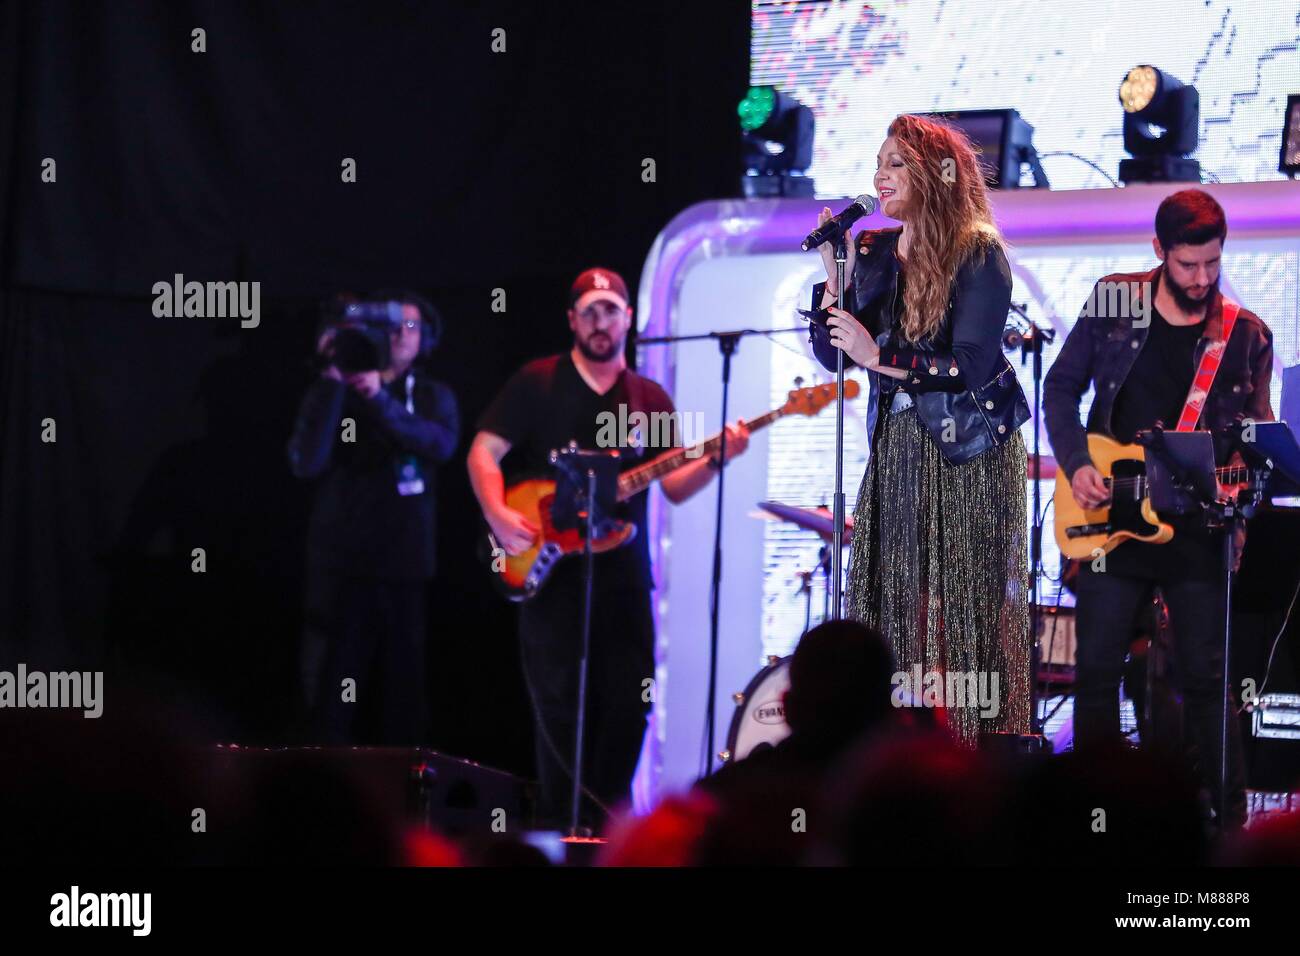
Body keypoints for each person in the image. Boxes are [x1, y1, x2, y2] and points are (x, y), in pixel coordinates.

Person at [467, 267, 749, 831]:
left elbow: (672, 485)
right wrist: (498, 515)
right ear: (573, 319)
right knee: (558, 704)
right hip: (550, 577)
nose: (601, 322)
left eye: (611, 310)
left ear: (628, 319)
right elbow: (483, 451)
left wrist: (719, 455)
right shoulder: (536, 381)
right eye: (590, 311)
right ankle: (556, 826)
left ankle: (605, 827)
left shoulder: (649, 398)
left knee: (629, 700)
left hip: (622, 576)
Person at [1044, 188, 1274, 829]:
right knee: (1095, 672)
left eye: (1212, 264)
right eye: (1187, 265)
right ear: (1158, 253)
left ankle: (1230, 826)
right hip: (1109, 521)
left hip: (1197, 528)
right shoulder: (1116, 298)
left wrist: (1248, 482)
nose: (1202, 279)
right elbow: (1060, 386)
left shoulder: (1246, 333)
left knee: (1207, 679)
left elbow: (1254, 434)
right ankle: (1093, 819)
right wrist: (1077, 464)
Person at [803, 113, 1032, 748]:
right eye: (879, 162)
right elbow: (836, 354)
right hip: (898, 444)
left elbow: (973, 364)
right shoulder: (874, 249)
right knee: (892, 599)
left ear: (934, 175)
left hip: (969, 449)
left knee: (963, 608)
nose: (881, 174)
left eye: (896, 164)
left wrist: (881, 359)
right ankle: (887, 750)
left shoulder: (977, 250)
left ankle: (975, 752)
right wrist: (834, 277)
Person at [287, 292, 459, 745]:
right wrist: (332, 380)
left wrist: (380, 399)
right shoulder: (336, 387)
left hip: (405, 565)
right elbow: (306, 461)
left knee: (405, 688)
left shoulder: (432, 395)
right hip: (342, 565)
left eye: (411, 326)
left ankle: (409, 800)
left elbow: (439, 445)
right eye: (392, 326)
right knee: (332, 689)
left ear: (426, 339)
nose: (400, 335)